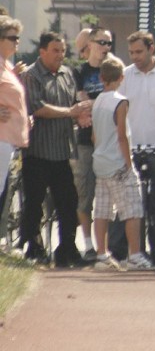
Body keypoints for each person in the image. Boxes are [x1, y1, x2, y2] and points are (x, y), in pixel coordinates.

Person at [20, 31, 92, 265]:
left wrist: (78, 116)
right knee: (34, 203)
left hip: (62, 153)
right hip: (38, 153)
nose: (60, 55)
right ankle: (34, 247)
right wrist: (70, 112)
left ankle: (67, 249)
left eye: (63, 51)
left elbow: (70, 104)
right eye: (55, 51)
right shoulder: (31, 75)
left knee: (68, 203)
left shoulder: (67, 74)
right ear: (42, 52)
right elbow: (38, 107)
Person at [108, 31, 155, 267]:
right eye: (131, 53)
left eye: (139, 52)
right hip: (129, 149)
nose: (134, 57)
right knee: (126, 203)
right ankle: (119, 251)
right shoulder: (125, 76)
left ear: (151, 49)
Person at [90, 56, 155, 272]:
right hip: (117, 162)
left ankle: (101, 254)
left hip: (100, 161)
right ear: (121, 77)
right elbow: (122, 136)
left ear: (102, 78)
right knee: (133, 210)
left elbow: (94, 136)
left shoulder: (98, 100)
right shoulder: (120, 101)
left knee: (102, 210)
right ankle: (135, 255)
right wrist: (129, 165)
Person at [71, 26, 113, 263]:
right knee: (84, 194)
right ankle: (87, 244)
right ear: (89, 45)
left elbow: (115, 101)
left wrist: (94, 104)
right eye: (101, 43)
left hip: (108, 141)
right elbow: (81, 102)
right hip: (85, 143)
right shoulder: (78, 71)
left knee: (106, 198)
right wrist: (99, 103)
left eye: (109, 43)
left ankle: (103, 248)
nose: (106, 48)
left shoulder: (113, 69)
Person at [0, 16, 29, 194]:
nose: (17, 41)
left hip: (7, 139)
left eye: (18, 37)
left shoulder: (7, 66)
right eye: (13, 38)